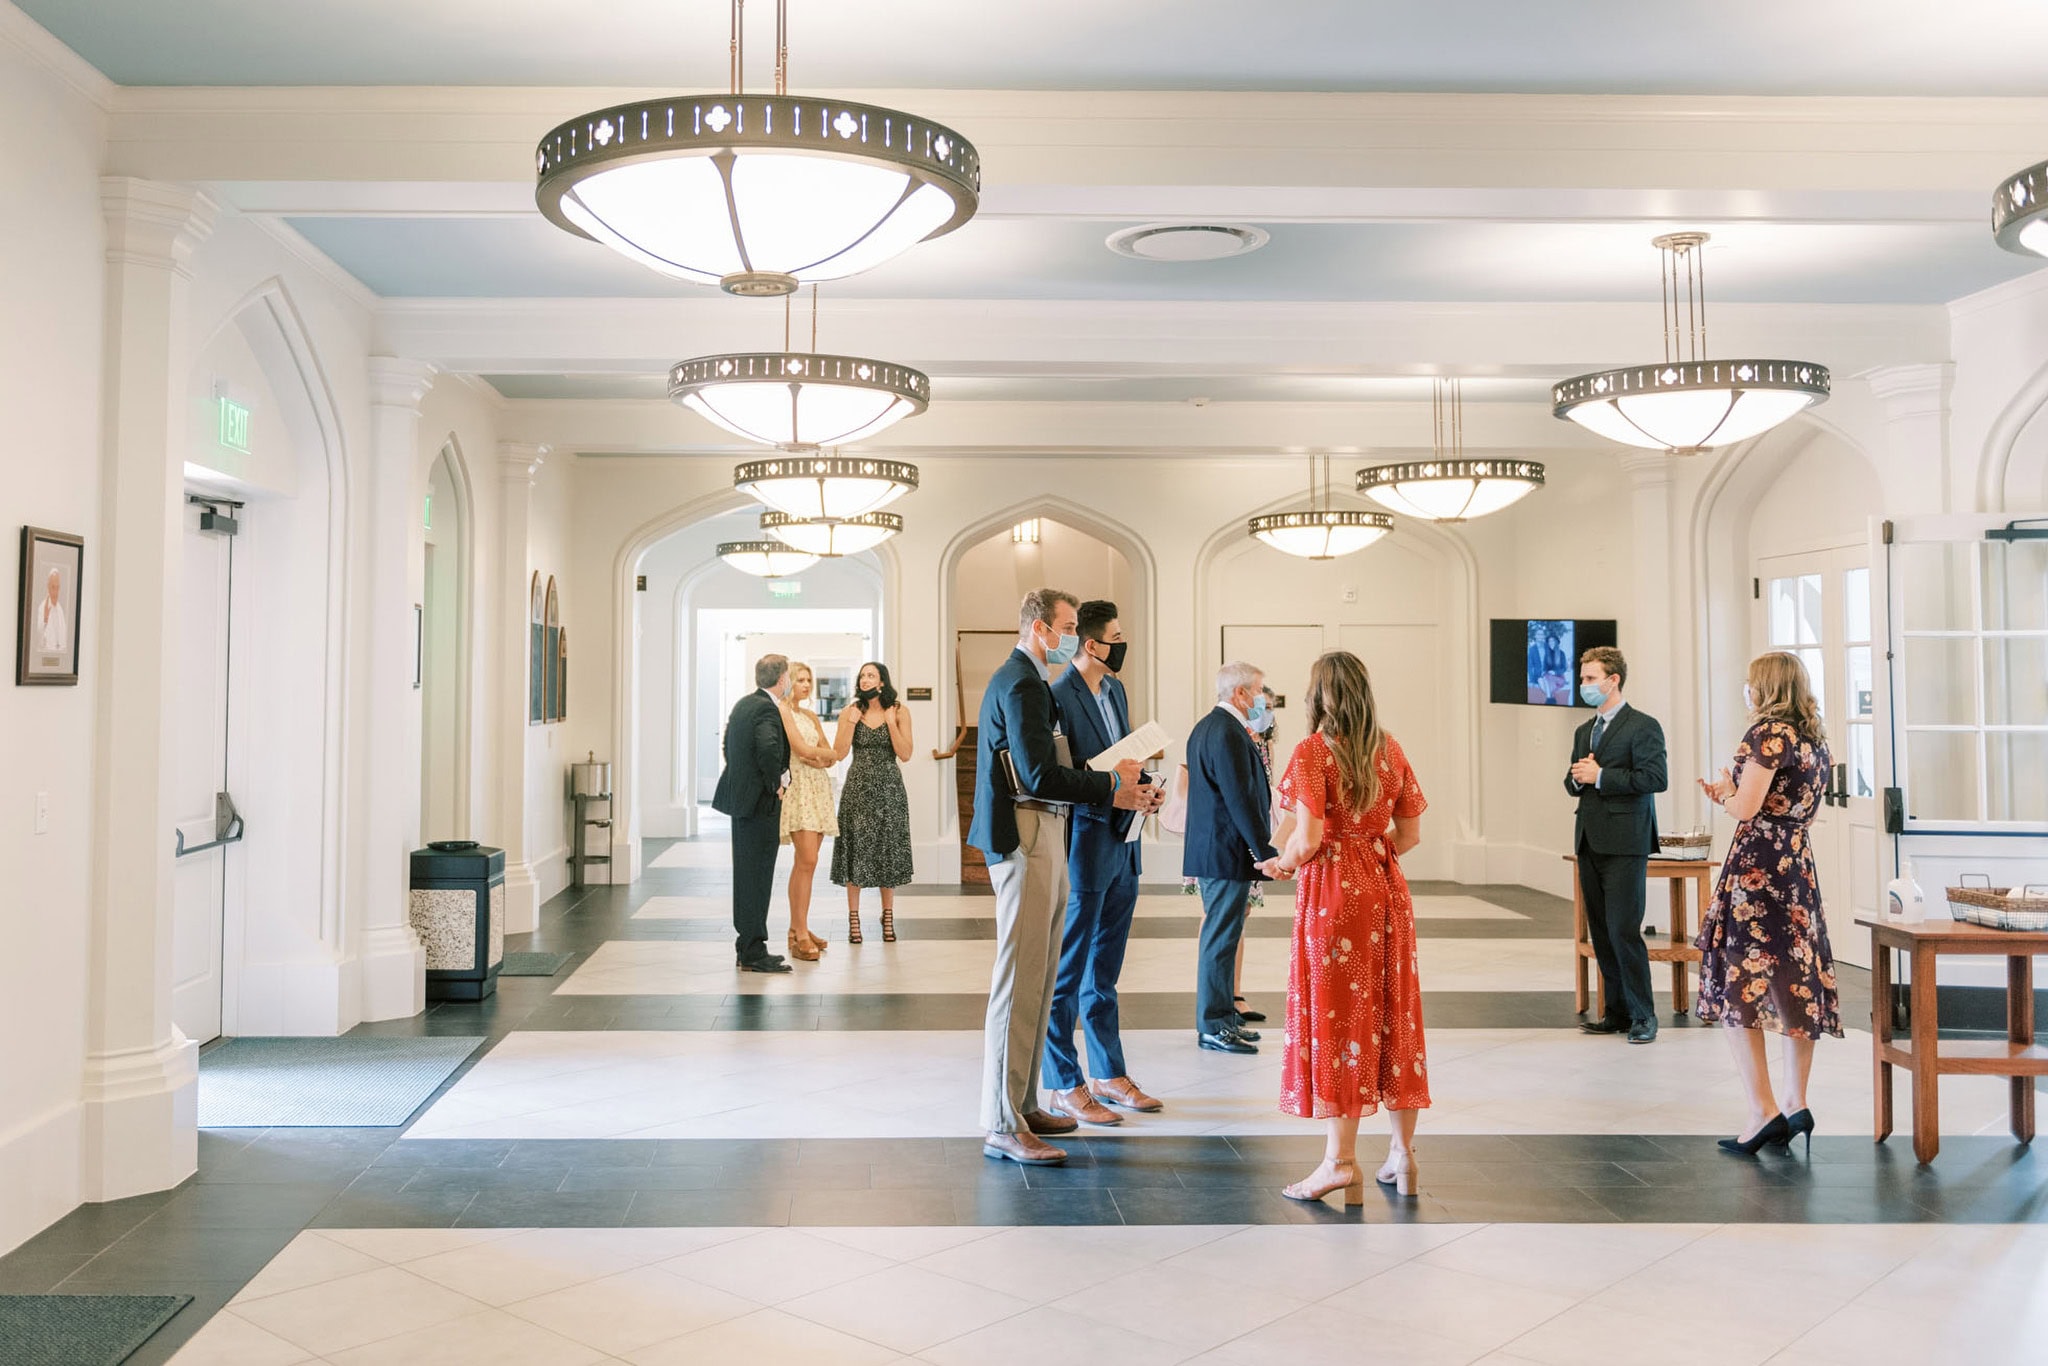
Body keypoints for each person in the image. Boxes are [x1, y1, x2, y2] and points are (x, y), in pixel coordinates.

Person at [969, 589, 1157, 1165]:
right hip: (1024, 833)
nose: (1073, 637)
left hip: (1043, 829)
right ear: (1039, 628)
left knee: (1040, 978)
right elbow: (1036, 773)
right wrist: (1108, 786)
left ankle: (1024, 1103)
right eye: (1068, 626)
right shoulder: (1023, 682)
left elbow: (1046, 769)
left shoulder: (1026, 681)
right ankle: (1002, 1120)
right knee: (1017, 983)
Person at [1262, 651, 1430, 1202]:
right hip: (1385, 889)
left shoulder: (1313, 752)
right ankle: (1402, 1156)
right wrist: (1369, 852)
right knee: (1393, 1010)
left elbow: (1305, 840)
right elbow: (1409, 834)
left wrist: (1284, 864)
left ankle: (1339, 1161)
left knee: (1340, 1019)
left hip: (1334, 897)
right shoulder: (1391, 748)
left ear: (1318, 696)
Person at [1695, 651, 1842, 1156]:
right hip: (1796, 866)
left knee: (1743, 981)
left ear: (1765, 688)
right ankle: (1795, 1102)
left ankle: (1763, 1111)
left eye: (1749, 683)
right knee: (1794, 980)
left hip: (1758, 870)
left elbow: (1747, 807)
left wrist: (1724, 794)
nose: (1746, 691)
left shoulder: (1767, 734)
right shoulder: (1813, 741)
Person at [1042, 601, 1161, 1125]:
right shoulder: (1057, 696)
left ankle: (1108, 1073)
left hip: (1124, 841)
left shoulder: (1114, 689)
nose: (1122, 643)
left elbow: (1123, 760)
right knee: (1069, 969)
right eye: (1116, 636)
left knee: (1105, 969)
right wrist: (1115, 792)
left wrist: (1143, 792)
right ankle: (1062, 1081)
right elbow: (1063, 779)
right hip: (1085, 842)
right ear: (1091, 644)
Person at [1566, 645, 1668, 1043]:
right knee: (1602, 933)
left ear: (1613, 681)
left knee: (1624, 930)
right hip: (1590, 840)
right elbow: (1574, 780)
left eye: (1591, 679)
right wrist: (1578, 778)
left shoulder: (1643, 726)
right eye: (1582, 679)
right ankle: (1617, 1011)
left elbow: (1654, 779)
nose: (1584, 686)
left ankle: (1644, 1015)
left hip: (1626, 842)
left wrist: (1602, 776)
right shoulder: (1583, 731)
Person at [1183, 661, 1279, 1055]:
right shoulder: (1226, 732)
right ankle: (1213, 1025)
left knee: (1224, 938)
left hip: (1219, 851)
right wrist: (1265, 852)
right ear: (1239, 694)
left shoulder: (1212, 727)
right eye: (1259, 690)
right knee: (1219, 941)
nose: (1264, 698)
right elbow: (1241, 800)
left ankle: (1223, 1016)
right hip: (1224, 853)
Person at [712, 654, 794, 974]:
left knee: (746, 874)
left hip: (741, 801)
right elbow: (768, 748)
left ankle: (746, 945)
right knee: (758, 875)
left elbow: (728, 747)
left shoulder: (743, 704)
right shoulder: (765, 708)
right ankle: (753, 949)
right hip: (760, 803)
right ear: (782, 679)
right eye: (788, 676)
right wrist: (777, 783)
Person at [831, 661, 915, 943]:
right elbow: (840, 753)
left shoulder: (900, 711)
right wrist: (851, 723)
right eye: (862, 676)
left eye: (871, 676)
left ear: (882, 682)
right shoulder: (850, 711)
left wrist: (891, 723)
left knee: (886, 850)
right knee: (856, 850)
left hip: (889, 789)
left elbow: (905, 754)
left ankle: (887, 915)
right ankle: (853, 919)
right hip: (858, 788)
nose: (865, 680)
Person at [776, 662, 838, 962]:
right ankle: (799, 933)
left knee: (807, 864)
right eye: (800, 679)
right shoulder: (783, 711)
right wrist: (819, 756)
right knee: (807, 860)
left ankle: (797, 928)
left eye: (809, 679)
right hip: (799, 790)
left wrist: (820, 756)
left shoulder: (811, 715)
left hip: (819, 791)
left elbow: (832, 755)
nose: (806, 684)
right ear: (788, 681)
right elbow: (801, 750)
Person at [37, 568, 66, 656]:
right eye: (53, 587)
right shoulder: (42, 608)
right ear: (48, 587)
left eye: (58, 588)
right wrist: (45, 620)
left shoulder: (60, 610)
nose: (56, 592)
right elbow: (38, 640)